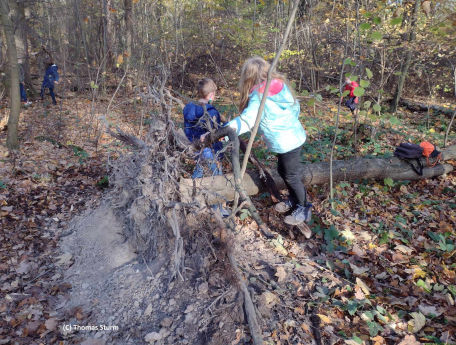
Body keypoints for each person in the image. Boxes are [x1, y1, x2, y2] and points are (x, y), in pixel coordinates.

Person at [206, 56, 312, 225]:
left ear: (249, 77)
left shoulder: (259, 95)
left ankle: (304, 208)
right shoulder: (279, 86)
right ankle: (293, 199)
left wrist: (225, 132)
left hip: (288, 141)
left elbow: (248, 120)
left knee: (291, 175)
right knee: (284, 171)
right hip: (292, 137)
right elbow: (295, 105)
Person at [183, 78, 224, 179]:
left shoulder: (189, 108)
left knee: (200, 168)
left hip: (195, 146)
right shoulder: (212, 112)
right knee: (217, 174)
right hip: (211, 151)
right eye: (214, 94)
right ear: (211, 95)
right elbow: (216, 133)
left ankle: (192, 189)